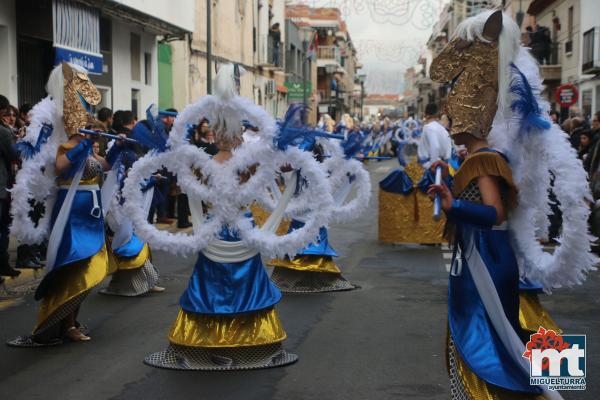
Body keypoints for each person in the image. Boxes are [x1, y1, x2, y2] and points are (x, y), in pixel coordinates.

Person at [429, 10, 595, 399]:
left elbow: (494, 213)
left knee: (494, 334)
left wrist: (454, 206)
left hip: (487, 257)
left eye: (454, 117)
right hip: (482, 255)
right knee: (501, 331)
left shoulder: (484, 161)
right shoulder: (474, 159)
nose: (450, 122)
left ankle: (527, 389)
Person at [8, 63, 129, 346]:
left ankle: (70, 321)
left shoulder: (89, 150)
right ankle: (67, 323)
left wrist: (120, 146)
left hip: (91, 213)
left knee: (85, 268)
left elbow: (105, 166)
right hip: (71, 213)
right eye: (83, 127)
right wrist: (82, 146)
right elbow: (62, 169)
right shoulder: (66, 149)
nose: (87, 131)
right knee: (72, 266)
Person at [0, 95, 20, 277]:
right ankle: (2, 264)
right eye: (6, 113)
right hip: (1, 186)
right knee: (3, 227)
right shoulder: (4, 132)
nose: (9, 117)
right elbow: (14, 154)